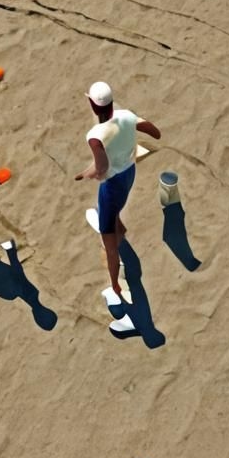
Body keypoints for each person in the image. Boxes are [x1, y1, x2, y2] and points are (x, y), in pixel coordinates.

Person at [75, 82, 161, 297]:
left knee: (109, 242)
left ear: (93, 106)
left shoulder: (95, 136)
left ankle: (115, 285)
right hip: (129, 172)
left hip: (112, 185)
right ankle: (119, 227)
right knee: (115, 210)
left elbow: (102, 167)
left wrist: (89, 173)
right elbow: (155, 132)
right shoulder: (127, 116)